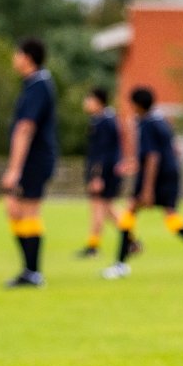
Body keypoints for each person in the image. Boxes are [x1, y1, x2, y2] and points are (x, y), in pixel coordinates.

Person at [101, 86, 183, 280]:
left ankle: (120, 265)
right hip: (171, 173)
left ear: (137, 105)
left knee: (129, 211)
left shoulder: (146, 123)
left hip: (155, 176)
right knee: (171, 215)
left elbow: (153, 156)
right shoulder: (161, 121)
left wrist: (147, 189)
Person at [1, 39, 59, 288]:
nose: (14, 59)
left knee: (29, 211)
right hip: (30, 160)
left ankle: (33, 273)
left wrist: (14, 169)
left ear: (27, 57)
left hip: (35, 159)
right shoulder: (32, 84)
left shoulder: (39, 85)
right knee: (14, 210)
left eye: (16, 54)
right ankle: (28, 270)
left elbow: (25, 128)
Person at [77, 87, 126, 259]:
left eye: (88, 99)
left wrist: (97, 176)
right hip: (106, 171)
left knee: (99, 208)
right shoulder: (101, 120)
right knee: (106, 209)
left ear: (98, 101)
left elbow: (103, 152)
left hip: (105, 173)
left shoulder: (105, 121)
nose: (86, 103)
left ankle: (93, 247)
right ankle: (131, 240)